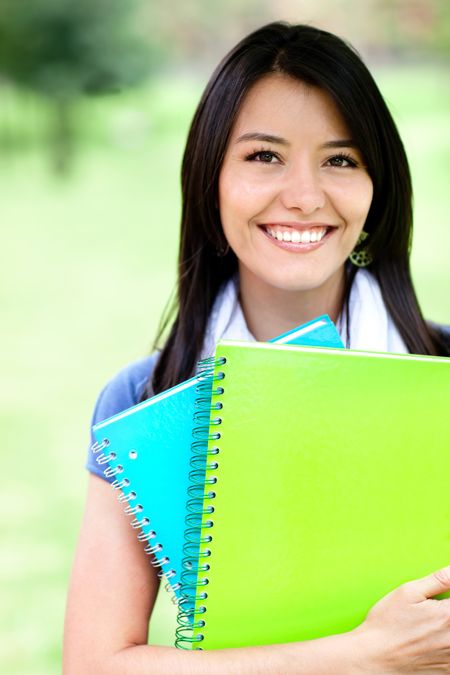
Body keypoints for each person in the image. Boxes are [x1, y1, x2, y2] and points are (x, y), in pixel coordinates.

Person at [63, 22, 450, 674]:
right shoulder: (143, 399)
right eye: (264, 156)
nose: (303, 197)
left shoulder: (440, 372)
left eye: (341, 159)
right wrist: (365, 656)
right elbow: (96, 663)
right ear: (209, 181)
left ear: (377, 188)